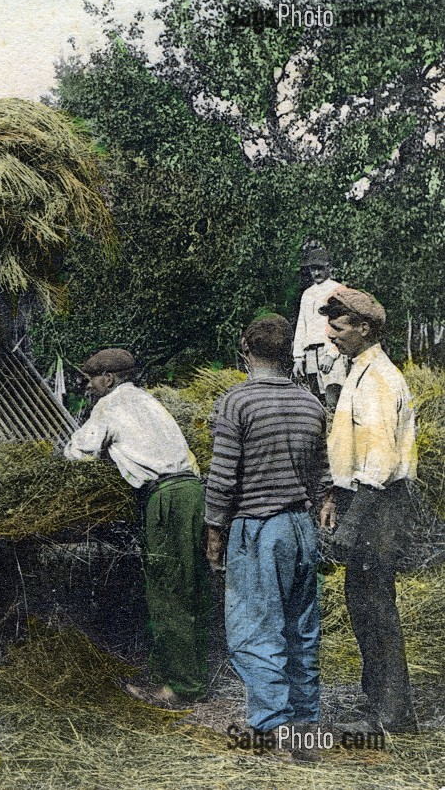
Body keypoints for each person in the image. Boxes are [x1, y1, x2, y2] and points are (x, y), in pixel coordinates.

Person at [204, 315, 327, 755]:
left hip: (257, 526)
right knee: (302, 629)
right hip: (301, 527)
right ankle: (304, 724)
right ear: (289, 354)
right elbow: (320, 474)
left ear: (245, 350)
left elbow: (222, 477)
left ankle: (271, 725)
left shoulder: (236, 402)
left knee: (255, 629)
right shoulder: (310, 403)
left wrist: (214, 529)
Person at [64, 348, 210, 708]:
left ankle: (182, 687)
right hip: (192, 492)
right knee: (187, 586)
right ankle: (172, 674)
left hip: (167, 498)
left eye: (92, 379)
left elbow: (78, 452)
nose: (90, 386)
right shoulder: (150, 403)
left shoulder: (110, 405)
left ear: (108, 379)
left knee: (166, 590)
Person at [318, 287, 419, 732]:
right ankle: (377, 701)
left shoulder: (379, 378)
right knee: (363, 604)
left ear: (364, 328)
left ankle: (391, 715)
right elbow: (349, 450)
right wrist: (333, 498)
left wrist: (352, 522)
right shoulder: (358, 371)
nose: (330, 335)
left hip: (377, 503)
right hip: (361, 498)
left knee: (376, 607)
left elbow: (379, 460)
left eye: (338, 327)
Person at [293, 240, 347, 410]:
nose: (316, 272)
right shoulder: (307, 294)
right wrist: (298, 358)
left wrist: (332, 354)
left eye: (320, 268)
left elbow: (342, 324)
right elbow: (302, 325)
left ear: (328, 267)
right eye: (312, 268)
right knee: (315, 403)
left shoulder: (338, 290)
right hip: (311, 353)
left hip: (330, 351)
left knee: (334, 399)